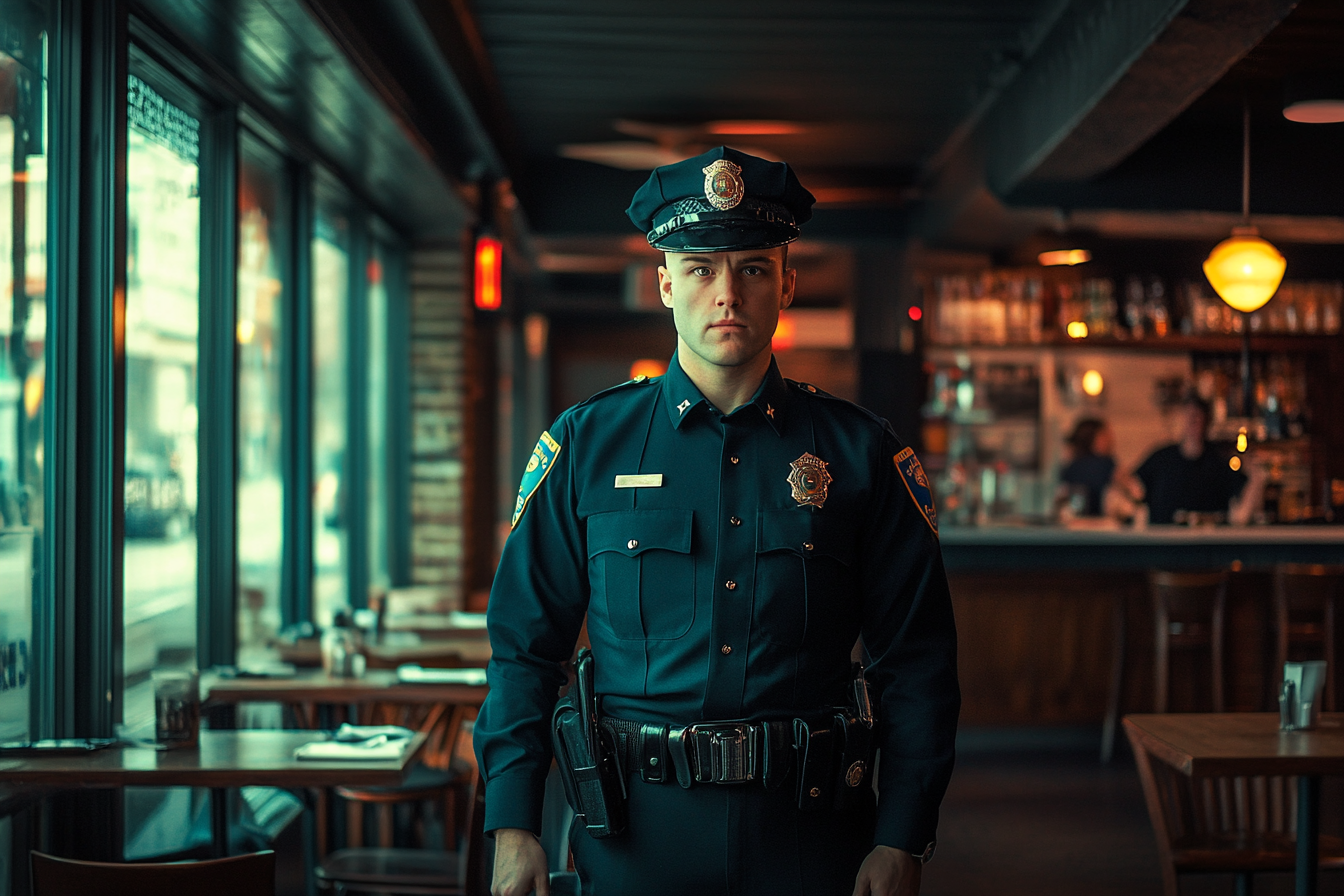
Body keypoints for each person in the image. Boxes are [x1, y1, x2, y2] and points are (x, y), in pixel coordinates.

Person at [474, 146, 960, 896]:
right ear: (665, 284)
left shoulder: (862, 454)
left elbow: (919, 662)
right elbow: (523, 653)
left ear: (786, 284)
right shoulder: (584, 446)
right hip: (634, 835)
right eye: (701, 269)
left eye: (753, 268)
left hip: (810, 835)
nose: (726, 293)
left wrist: (903, 836)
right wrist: (513, 826)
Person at [1132, 394, 1266, 525]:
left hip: (1209, 543)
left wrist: (1256, 478)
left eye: (1197, 416)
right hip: (1163, 543)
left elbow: (1240, 513)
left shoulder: (1219, 461)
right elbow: (1133, 487)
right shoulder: (1161, 458)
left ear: (1206, 421)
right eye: (1188, 415)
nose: (1193, 421)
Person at [1058, 418, 1116, 517]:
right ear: (1094, 439)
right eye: (1105, 435)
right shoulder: (1105, 464)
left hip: (1073, 522)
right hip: (1096, 524)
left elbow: (1073, 507)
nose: (1111, 439)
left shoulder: (1069, 468)